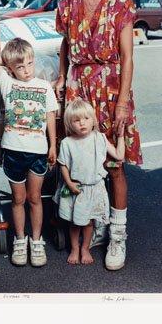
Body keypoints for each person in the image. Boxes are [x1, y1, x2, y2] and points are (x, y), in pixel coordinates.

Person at [55, 0, 143, 271]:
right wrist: (63, 79)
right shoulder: (67, 5)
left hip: (110, 89)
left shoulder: (121, 4)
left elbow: (127, 57)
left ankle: (117, 234)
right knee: (79, 162)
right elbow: (65, 45)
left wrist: (122, 102)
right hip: (79, 92)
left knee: (114, 165)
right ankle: (88, 221)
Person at [0, 38, 58, 267]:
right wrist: (8, 63)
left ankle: (36, 241)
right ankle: (20, 239)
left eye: (29, 63)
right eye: (20, 67)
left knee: (35, 198)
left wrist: (53, 145)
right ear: (10, 69)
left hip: (37, 151)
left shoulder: (44, 86)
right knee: (18, 199)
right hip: (13, 151)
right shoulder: (7, 83)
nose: (26, 70)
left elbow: (50, 116)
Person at [54, 98, 125, 265]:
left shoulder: (99, 138)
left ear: (93, 119)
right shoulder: (67, 143)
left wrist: (120, 136)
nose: (82, 123)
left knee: (89, 222)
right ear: (70, 124)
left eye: (86, 118)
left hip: (95, 188)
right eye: (76, 120)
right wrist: (69, 183)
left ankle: (85, 247)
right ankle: (74, 248)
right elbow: (62, 165)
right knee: (74, 222)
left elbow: (119, 155)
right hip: (77, 188)